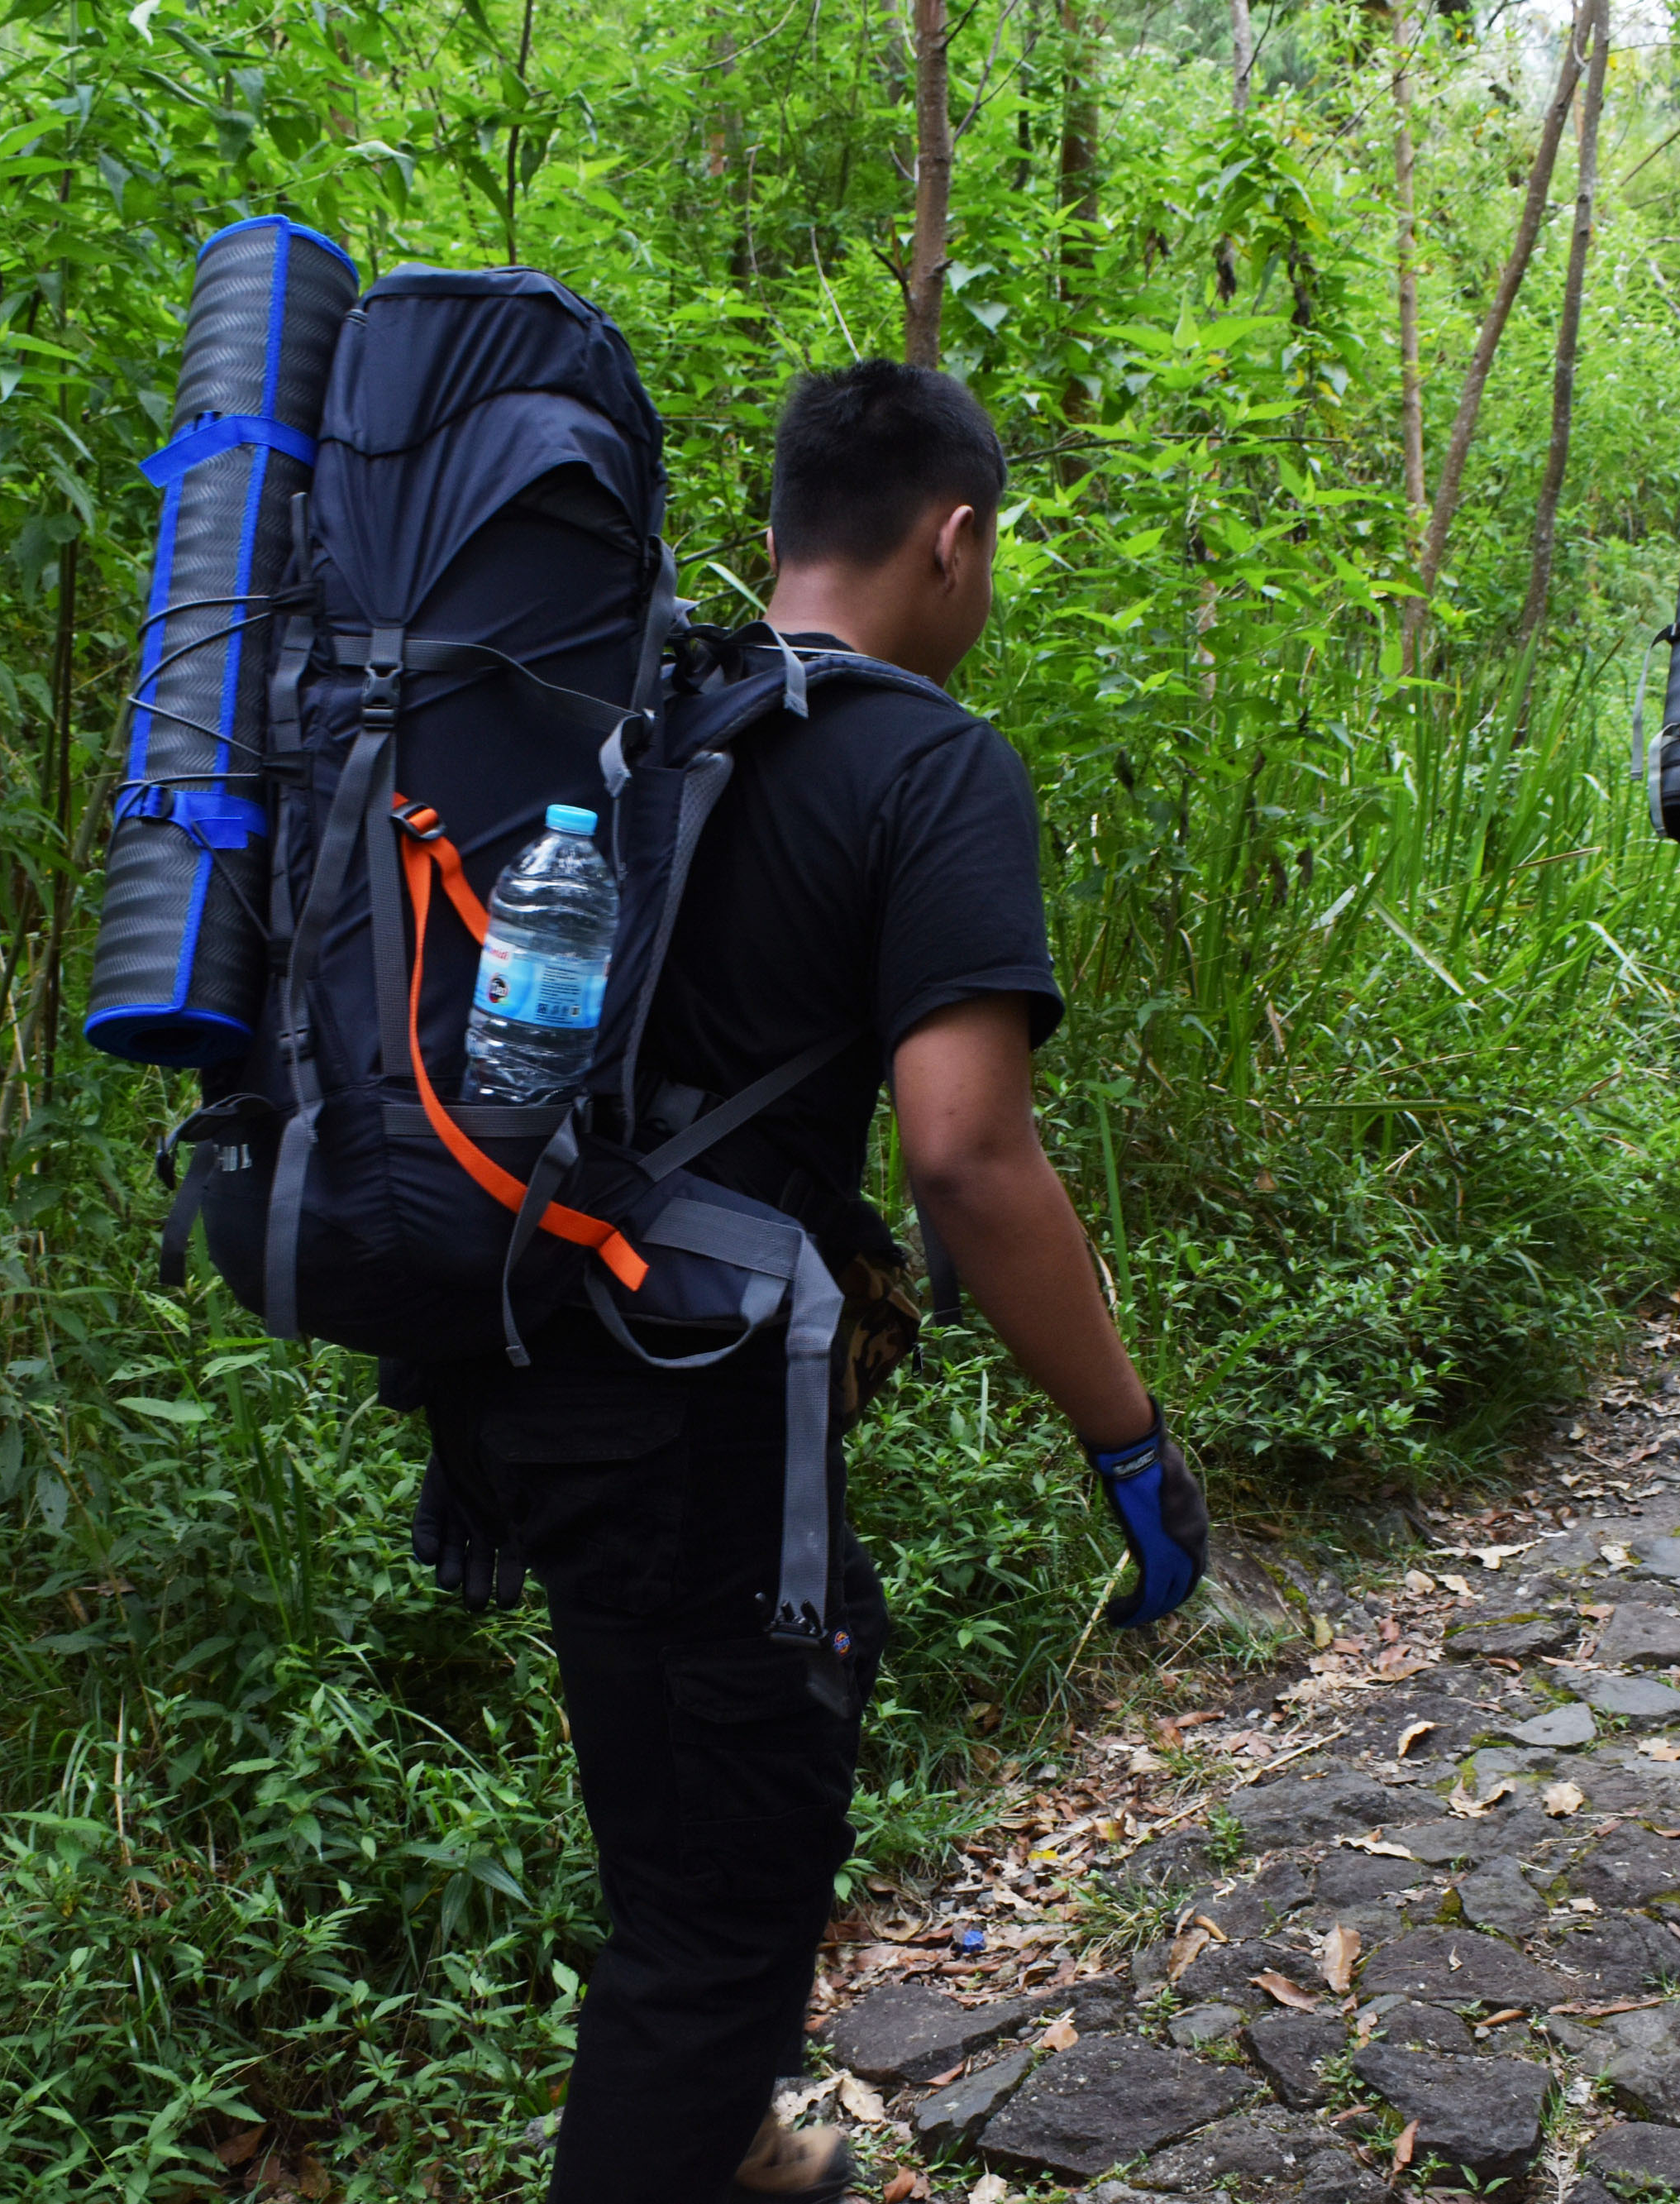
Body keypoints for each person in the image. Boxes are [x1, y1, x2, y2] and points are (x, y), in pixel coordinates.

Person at [413, 361, 1206, 2203]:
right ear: (956, 540)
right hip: (687, 1407)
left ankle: (739, 2150)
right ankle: (696, 2136)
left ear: (772, 532)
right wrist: (1127, 1443)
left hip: (517, 1356)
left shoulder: (623, 721)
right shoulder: (927, 762)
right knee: (712, 1925)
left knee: (703, 1814)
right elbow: (968, 1156)